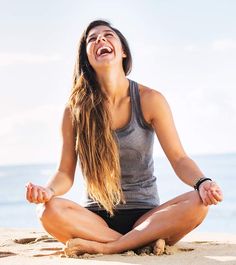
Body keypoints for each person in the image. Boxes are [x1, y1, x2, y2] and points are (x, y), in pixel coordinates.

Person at [25, 19, 223, 256]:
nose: (100, 39)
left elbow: (179, 158)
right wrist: (48, 192)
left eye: (108, 35)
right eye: (92, 39)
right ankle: (137, 243)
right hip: (95, 220)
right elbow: (65, 173)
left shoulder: (150, 100)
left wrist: (203, 183)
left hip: (146, 216)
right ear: (87, 58)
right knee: (47, 211)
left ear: (123, 52)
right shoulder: (75, 110)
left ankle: (109, 247)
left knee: (198, 204)